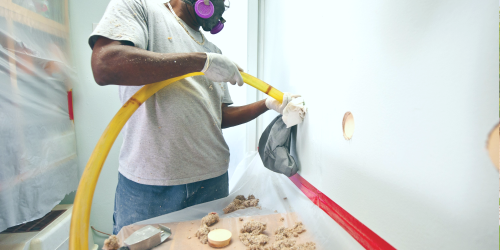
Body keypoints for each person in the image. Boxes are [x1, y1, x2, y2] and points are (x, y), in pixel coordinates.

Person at [89, 0, 298, 234]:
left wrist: (267, 104)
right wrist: (201, 63)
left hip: (212, 181)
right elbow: (104, 64)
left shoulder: (214, 51)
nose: (223, 10)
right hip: (150, 184)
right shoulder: (141, 8)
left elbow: (219, 117)